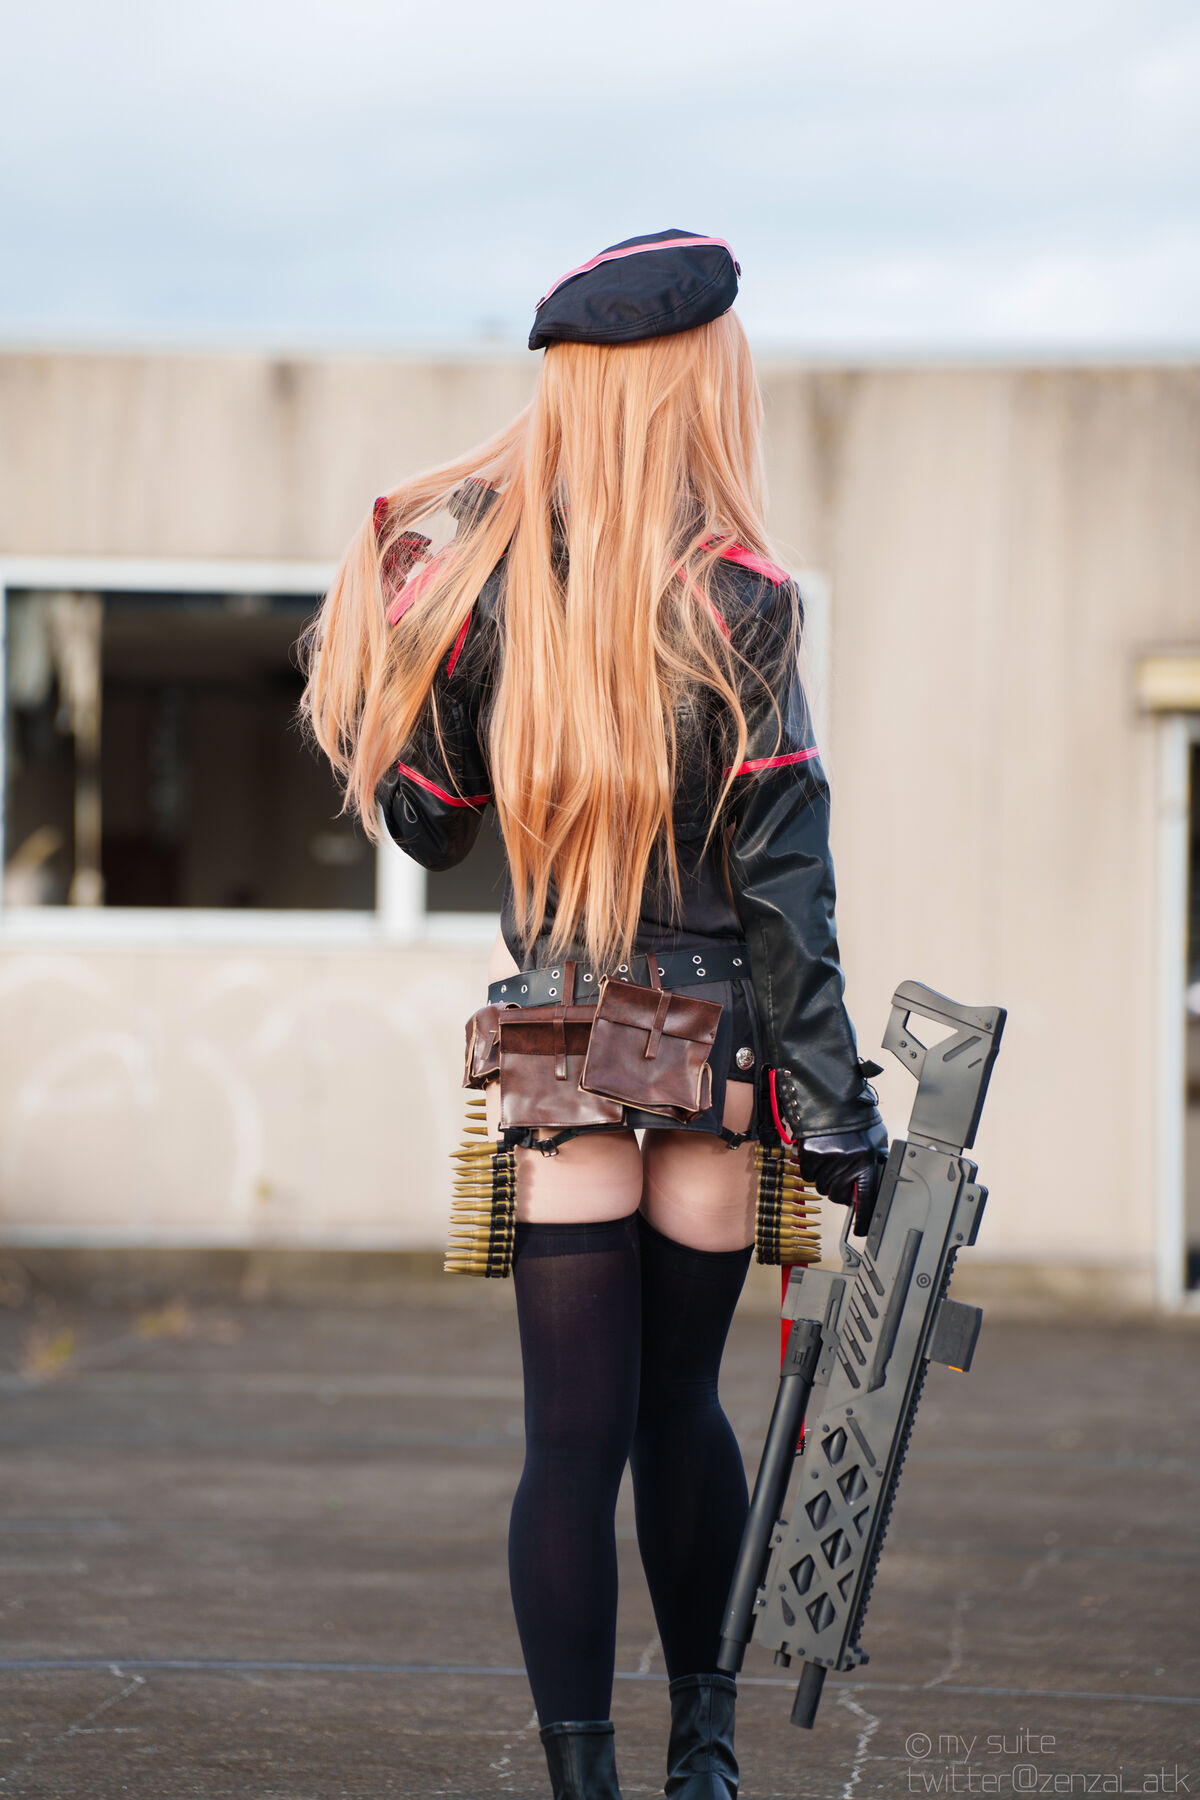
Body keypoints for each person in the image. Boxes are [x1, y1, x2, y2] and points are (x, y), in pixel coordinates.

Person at [301, 229, 887, 1800]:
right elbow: (788, 888)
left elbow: (426, 831)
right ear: (691, 384)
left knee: (568, 1444)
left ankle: (586, 1784)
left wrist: (404, 654)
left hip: (559, 1050)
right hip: (714, 1056)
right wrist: (837, 1115)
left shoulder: (489, 586)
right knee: (682, 1413)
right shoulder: (742, 599)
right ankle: (706, 1755)